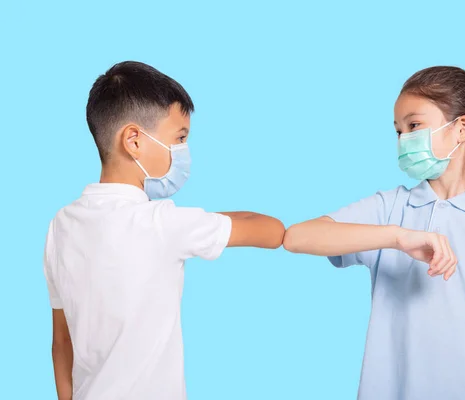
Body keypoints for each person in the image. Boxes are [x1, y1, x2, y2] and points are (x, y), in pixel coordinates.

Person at [283, 66, 465, 400]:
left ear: (462, 128)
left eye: (413, 126)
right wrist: (398, 237)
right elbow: (296, 237)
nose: (402, 140)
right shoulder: (389, 209)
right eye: (397, 130)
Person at [43, 61, 285, 400]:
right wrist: (202, 219)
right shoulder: (166, 223)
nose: (183, 152)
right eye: (180, 138)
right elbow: (272, 232)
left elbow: (61, 341)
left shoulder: (61, 225)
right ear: (134, 141)